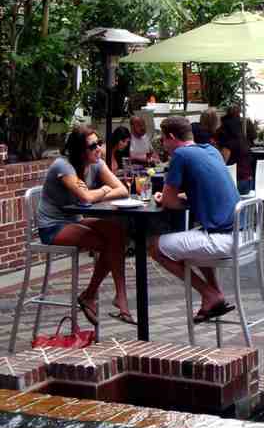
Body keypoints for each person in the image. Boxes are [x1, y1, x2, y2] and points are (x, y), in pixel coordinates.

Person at [36, 125, 132, 326]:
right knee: (109, 244)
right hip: (53, 226)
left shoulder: (96, 163)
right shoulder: (63, 166)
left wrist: (97, 192)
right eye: (92, 146)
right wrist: (104, 189)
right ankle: (93, 296)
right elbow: (86, 197)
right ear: (80, 150)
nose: (98, 149)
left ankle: (116, 296)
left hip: (74, 220)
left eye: (99, 143)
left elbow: (123, 190)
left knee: (117, 234)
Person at [149, 116, 240, 323]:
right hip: (243, 233)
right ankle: (216, 294)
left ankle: (209, 294)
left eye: (163, 140)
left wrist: (165, 199)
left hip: (222, 238)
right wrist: (183, 199)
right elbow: (203, 188)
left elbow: (170, 202)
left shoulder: (180, 154)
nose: (163, 145)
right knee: (190, 239)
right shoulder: (211, 150)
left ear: (171, 137)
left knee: (155, 247)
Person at [218, 105, 253, 195]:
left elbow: (222, 164)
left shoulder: (228, 143)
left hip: (236, 183)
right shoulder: (243, 139)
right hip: (248, 182)